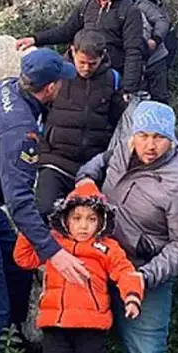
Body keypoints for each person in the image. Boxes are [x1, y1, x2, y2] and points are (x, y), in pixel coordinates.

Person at [0, 48, 92, 353]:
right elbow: (20, 201)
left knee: (17, 267)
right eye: (60, 82)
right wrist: (54, 253)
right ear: (50, 88)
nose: (63, 86)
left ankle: (12, 343)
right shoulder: (18, 131)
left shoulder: (8, 87)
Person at [76, 101, 178, 353]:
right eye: (143, 136)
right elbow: (101, 160)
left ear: (171, 137)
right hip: (100, 261)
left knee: (145, 348)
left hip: (142, 273)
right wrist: (87, 180)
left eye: (159, 137)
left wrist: (145, 276)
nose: (150, 145)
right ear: (133, 134)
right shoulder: (124, 149)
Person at [14, 182, 145, 353]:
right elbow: (24, 259)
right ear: (65, 219)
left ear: (101, 221)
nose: (83, 226)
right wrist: (31, 229)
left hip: (91, 325)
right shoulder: (53, 243)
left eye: (91, 219)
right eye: (76, 218)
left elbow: (125, 272)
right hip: (55, 323)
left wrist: (132, 297)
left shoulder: (107, 247)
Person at [17, 0, 146, 99]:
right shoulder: (86, 5)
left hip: (107, 74)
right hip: (78, 67)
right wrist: (35, 39)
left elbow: (133, 51)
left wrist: (128, 90)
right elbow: (66, 31)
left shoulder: (129, 11)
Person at [36, 29, 126, 219]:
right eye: (82, 62)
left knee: (89, 221)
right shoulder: (56, 74)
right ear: (72, 51)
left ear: (102, 57)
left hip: (92, 166)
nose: (85, 68)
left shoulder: (113, 79)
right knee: (46, 212)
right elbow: (38, 110)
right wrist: (42, 150)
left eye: (92, 64)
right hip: (55, 160)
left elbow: (118, 121)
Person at [124, 0, 173, 103]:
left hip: (154, 58)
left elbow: (162, 20)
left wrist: (155, 40)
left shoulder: (139, 3)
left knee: (159, 98)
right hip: (133, 62)